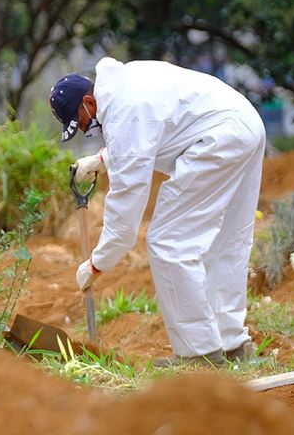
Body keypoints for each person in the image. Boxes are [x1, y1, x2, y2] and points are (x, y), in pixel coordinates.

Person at [49, 57, 265, 365]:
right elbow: (152, 134)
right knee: (228, 241)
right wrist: (101, 160)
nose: (86, 130)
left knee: (168, 241)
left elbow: (125, 213)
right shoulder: (126, 84)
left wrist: (96, 264)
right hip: (244, 123)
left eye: (81, 122)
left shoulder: (124, 113)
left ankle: (199, 353)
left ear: (88, 101)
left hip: (219, 137)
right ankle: (233, 344)